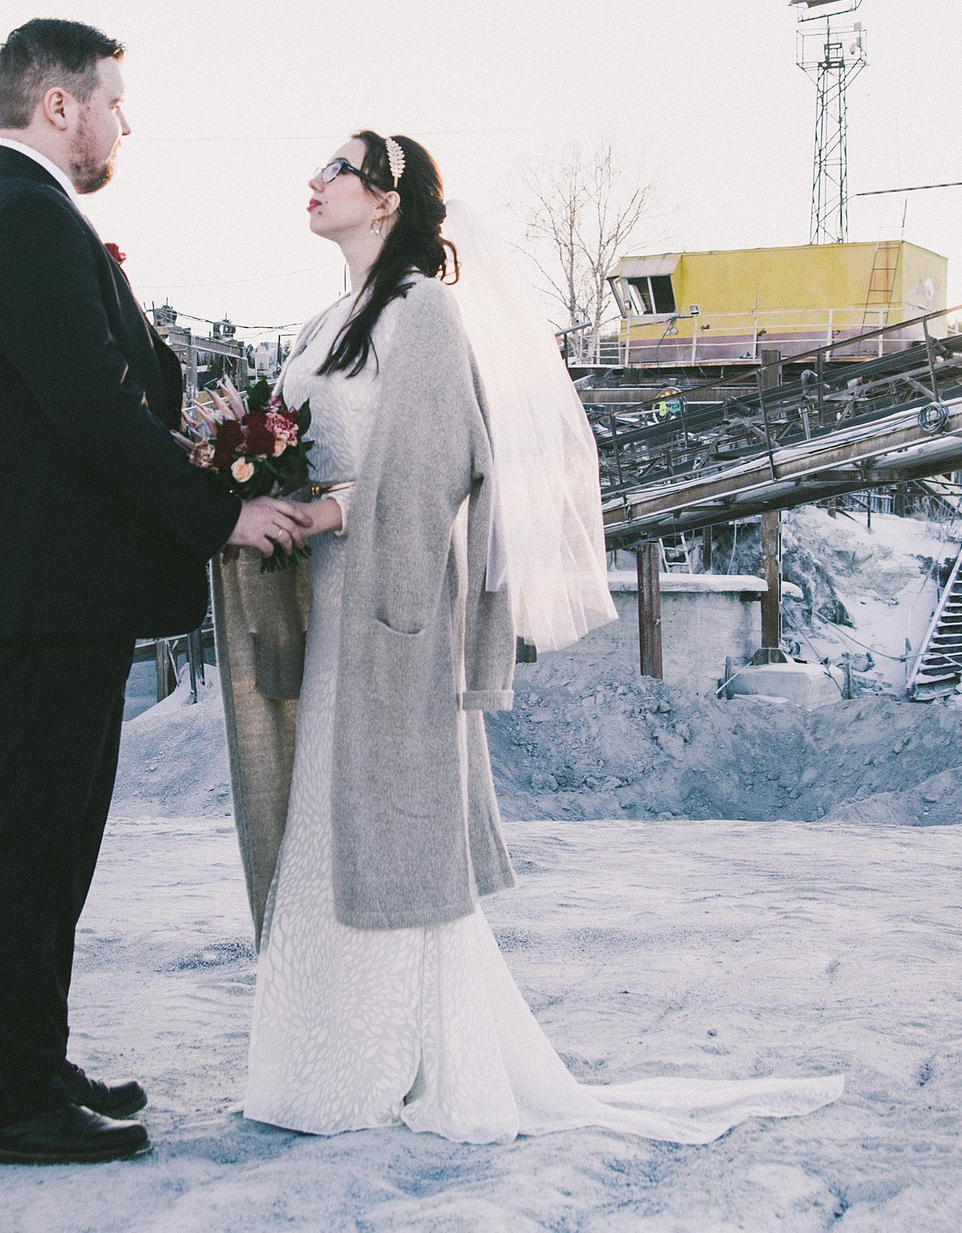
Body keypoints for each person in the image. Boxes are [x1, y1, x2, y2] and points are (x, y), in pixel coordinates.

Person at [224, 130, 843, 1143]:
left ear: (385, 201)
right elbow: (293, 438)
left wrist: (329, 511)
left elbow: (438, 461)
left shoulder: (421, 312)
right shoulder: (324, 321)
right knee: (330, 814)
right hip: (329, 601)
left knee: (390, 824)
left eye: (336, 168)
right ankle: (322, 1060)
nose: (314, 180)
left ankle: (387, 1068)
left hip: (394, 604)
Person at [0, 19, 314, 1166]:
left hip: (50, 584)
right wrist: (220, 513)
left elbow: (103, 393)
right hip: (42, 586)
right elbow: (92, 409)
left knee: (49, 838)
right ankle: (6, 1098)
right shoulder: (18, 217)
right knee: (29, 841)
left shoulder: (19, 216)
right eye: (114, 103)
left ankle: (30, 1060)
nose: (123, 124)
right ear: (59, 107)